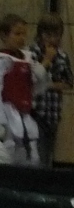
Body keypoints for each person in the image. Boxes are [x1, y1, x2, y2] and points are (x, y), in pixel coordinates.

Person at [0, 14, 43, 165]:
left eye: (24, 34)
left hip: (25, 116)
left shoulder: (28, 59)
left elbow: (34, 89)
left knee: (31, 157)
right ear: (4, 35)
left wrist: (41, 75)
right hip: (6, 116)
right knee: (4, 156)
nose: (21, 38)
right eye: (17, 34)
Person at [32, 12, 70, 163]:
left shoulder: (62, 56)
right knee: (37, 154)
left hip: (53, 113)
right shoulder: (33, 52)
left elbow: (68, 82)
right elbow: (32, 79)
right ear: (40, 34)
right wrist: (47, 59)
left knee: (47, 155)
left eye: (56, 35)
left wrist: (49, 85)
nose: (52, 39)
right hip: (36, 112)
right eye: (48, 35)